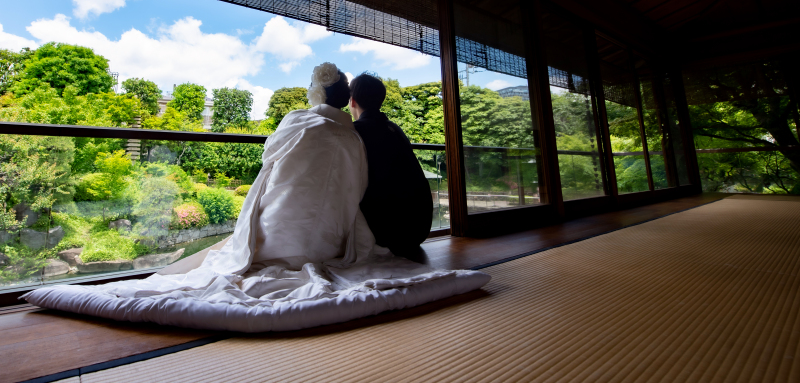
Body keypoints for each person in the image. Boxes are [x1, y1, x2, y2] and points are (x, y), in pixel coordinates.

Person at [24, 63, 489, 333]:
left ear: (323, 94)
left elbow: (271, 161)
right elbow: (359, 189)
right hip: (362, 237)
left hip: (284, 238)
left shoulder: (300, 123)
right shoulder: (358, 136)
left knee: (250, 232)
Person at [349, 73, 433, 254]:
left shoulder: (355, 132)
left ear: (352, 101)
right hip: (419, 228)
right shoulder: (394, 128)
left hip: (388, 234)